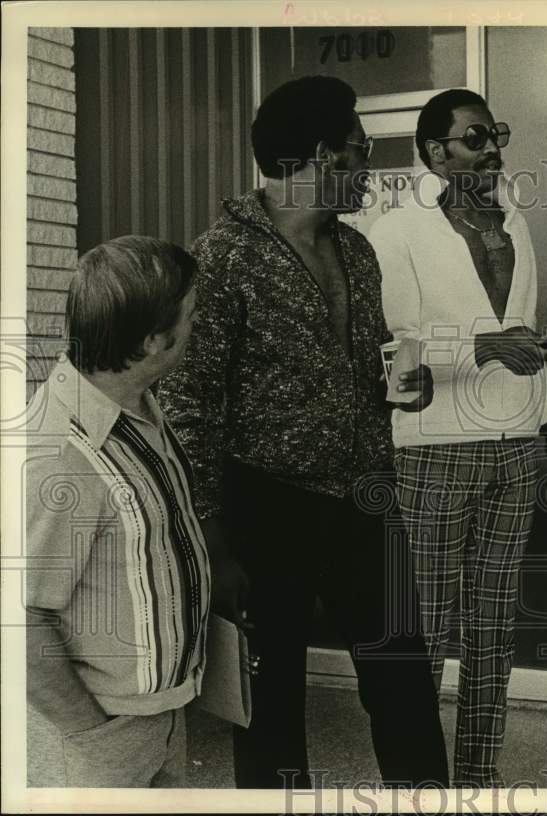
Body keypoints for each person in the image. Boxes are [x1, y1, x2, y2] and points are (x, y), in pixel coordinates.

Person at [157, 75, 449, 789]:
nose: (370, 169)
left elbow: (371, 359)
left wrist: (410, 391)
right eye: (361, 151)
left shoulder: (357, 251)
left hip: (365, 501)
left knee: (405, 685)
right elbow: (189, 399)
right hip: (267, 508)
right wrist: (212, 535)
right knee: (271, 707)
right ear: (322, 157)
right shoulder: (223, 256)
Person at [368, 88, 547, 787]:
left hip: (515, 444)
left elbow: (525, 325)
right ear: (434, 153)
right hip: (432, 448)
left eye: (497, 135)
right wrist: (478, 350)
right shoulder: (393, 231)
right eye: (476, 138)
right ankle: (421, 785)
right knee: (424, 634)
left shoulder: (514, 221)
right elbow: (386, 352)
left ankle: (477, 783)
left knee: (492, 634)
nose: (493, 149)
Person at [25, 236, 208, 787]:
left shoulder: (136, 402)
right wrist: (93, 735)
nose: (197, 327)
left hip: (161, 715)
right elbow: (19, 620)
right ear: (154, 340)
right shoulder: (58, 453)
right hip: (102, 732)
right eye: (192, 315)